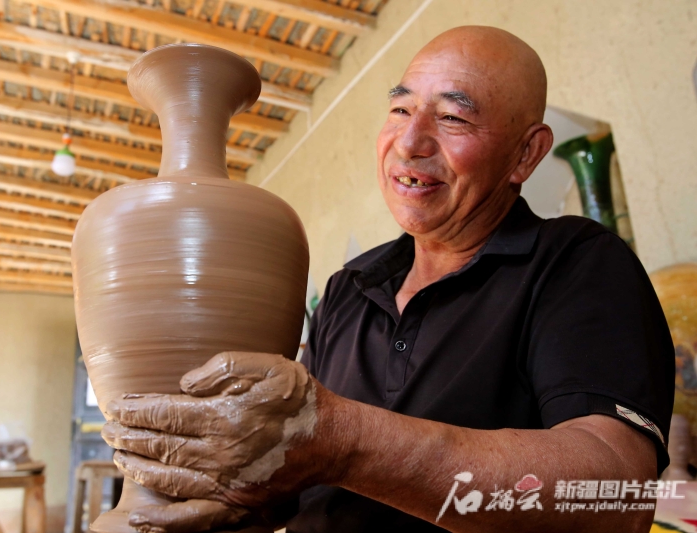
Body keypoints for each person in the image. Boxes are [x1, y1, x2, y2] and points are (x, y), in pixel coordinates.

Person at [101, 26, 674, 532]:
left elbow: (616, 496)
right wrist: (242, 496)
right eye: (400, 110)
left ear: (526, 154)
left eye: (452, 117)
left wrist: (340, 440)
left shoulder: (575, 262)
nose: (410, 142)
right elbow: (302, 479)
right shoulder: (349, 288)